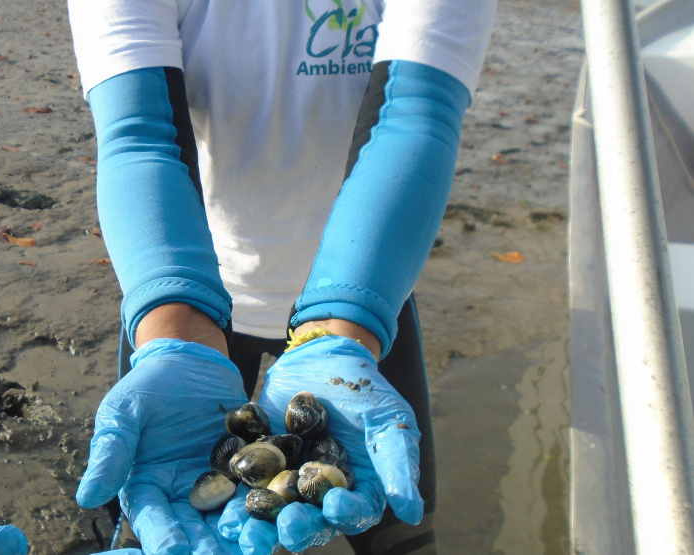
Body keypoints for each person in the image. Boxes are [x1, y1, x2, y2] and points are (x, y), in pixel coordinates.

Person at [68, 1, 496, 554]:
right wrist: (176, 332)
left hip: (364, 316)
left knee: (403, 540)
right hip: (192, 309)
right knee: (165, 526)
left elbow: (416, 110)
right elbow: (138, 132)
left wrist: (345, 328)